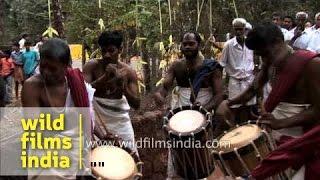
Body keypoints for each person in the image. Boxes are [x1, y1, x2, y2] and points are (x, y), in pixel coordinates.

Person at [216, 22, 320, 179]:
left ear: (279, 42)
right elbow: (252, 89)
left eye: (265, 53)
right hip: (273, 135)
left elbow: (318, 111)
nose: (264, 59)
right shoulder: (269, 63)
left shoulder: (311, 64)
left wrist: (282, 123)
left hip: (301, 143)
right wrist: (228, 103)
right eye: (259, 55)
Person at [154, 32, 223, 179]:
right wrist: (159, 95)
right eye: (184, 44)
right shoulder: (176, 66)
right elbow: (165, 86)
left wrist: (204, 109)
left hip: (204, 112)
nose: (187, 47)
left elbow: (219, 95)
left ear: (199, 45)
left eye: (191, 43)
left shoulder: (211, 66)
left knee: (204, 149)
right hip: (180, 113)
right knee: (178, 147)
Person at [83, 31, 140, 152]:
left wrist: (123, 87)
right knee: (98, 162)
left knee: (129, 159)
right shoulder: (91, 66)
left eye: (111, 50)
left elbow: (136, 104)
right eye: (103, 51)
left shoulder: (128, 72)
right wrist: (104, 77)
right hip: (97, 124)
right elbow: (83, 93)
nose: (107, 55)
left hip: (121, 124)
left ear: (120, 50)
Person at [219, 18, 257, 124]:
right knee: (234, 107)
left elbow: (255, 59)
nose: (238, 32)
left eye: (241, 29)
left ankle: (247, 129)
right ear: (233, 30)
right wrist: (222, 84)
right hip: (235, 80)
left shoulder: (250, 44)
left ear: (245, 29)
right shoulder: (228, 45)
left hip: (249, 79)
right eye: (236, 29)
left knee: (249, 107)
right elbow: (222, 64)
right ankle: (233, 129)